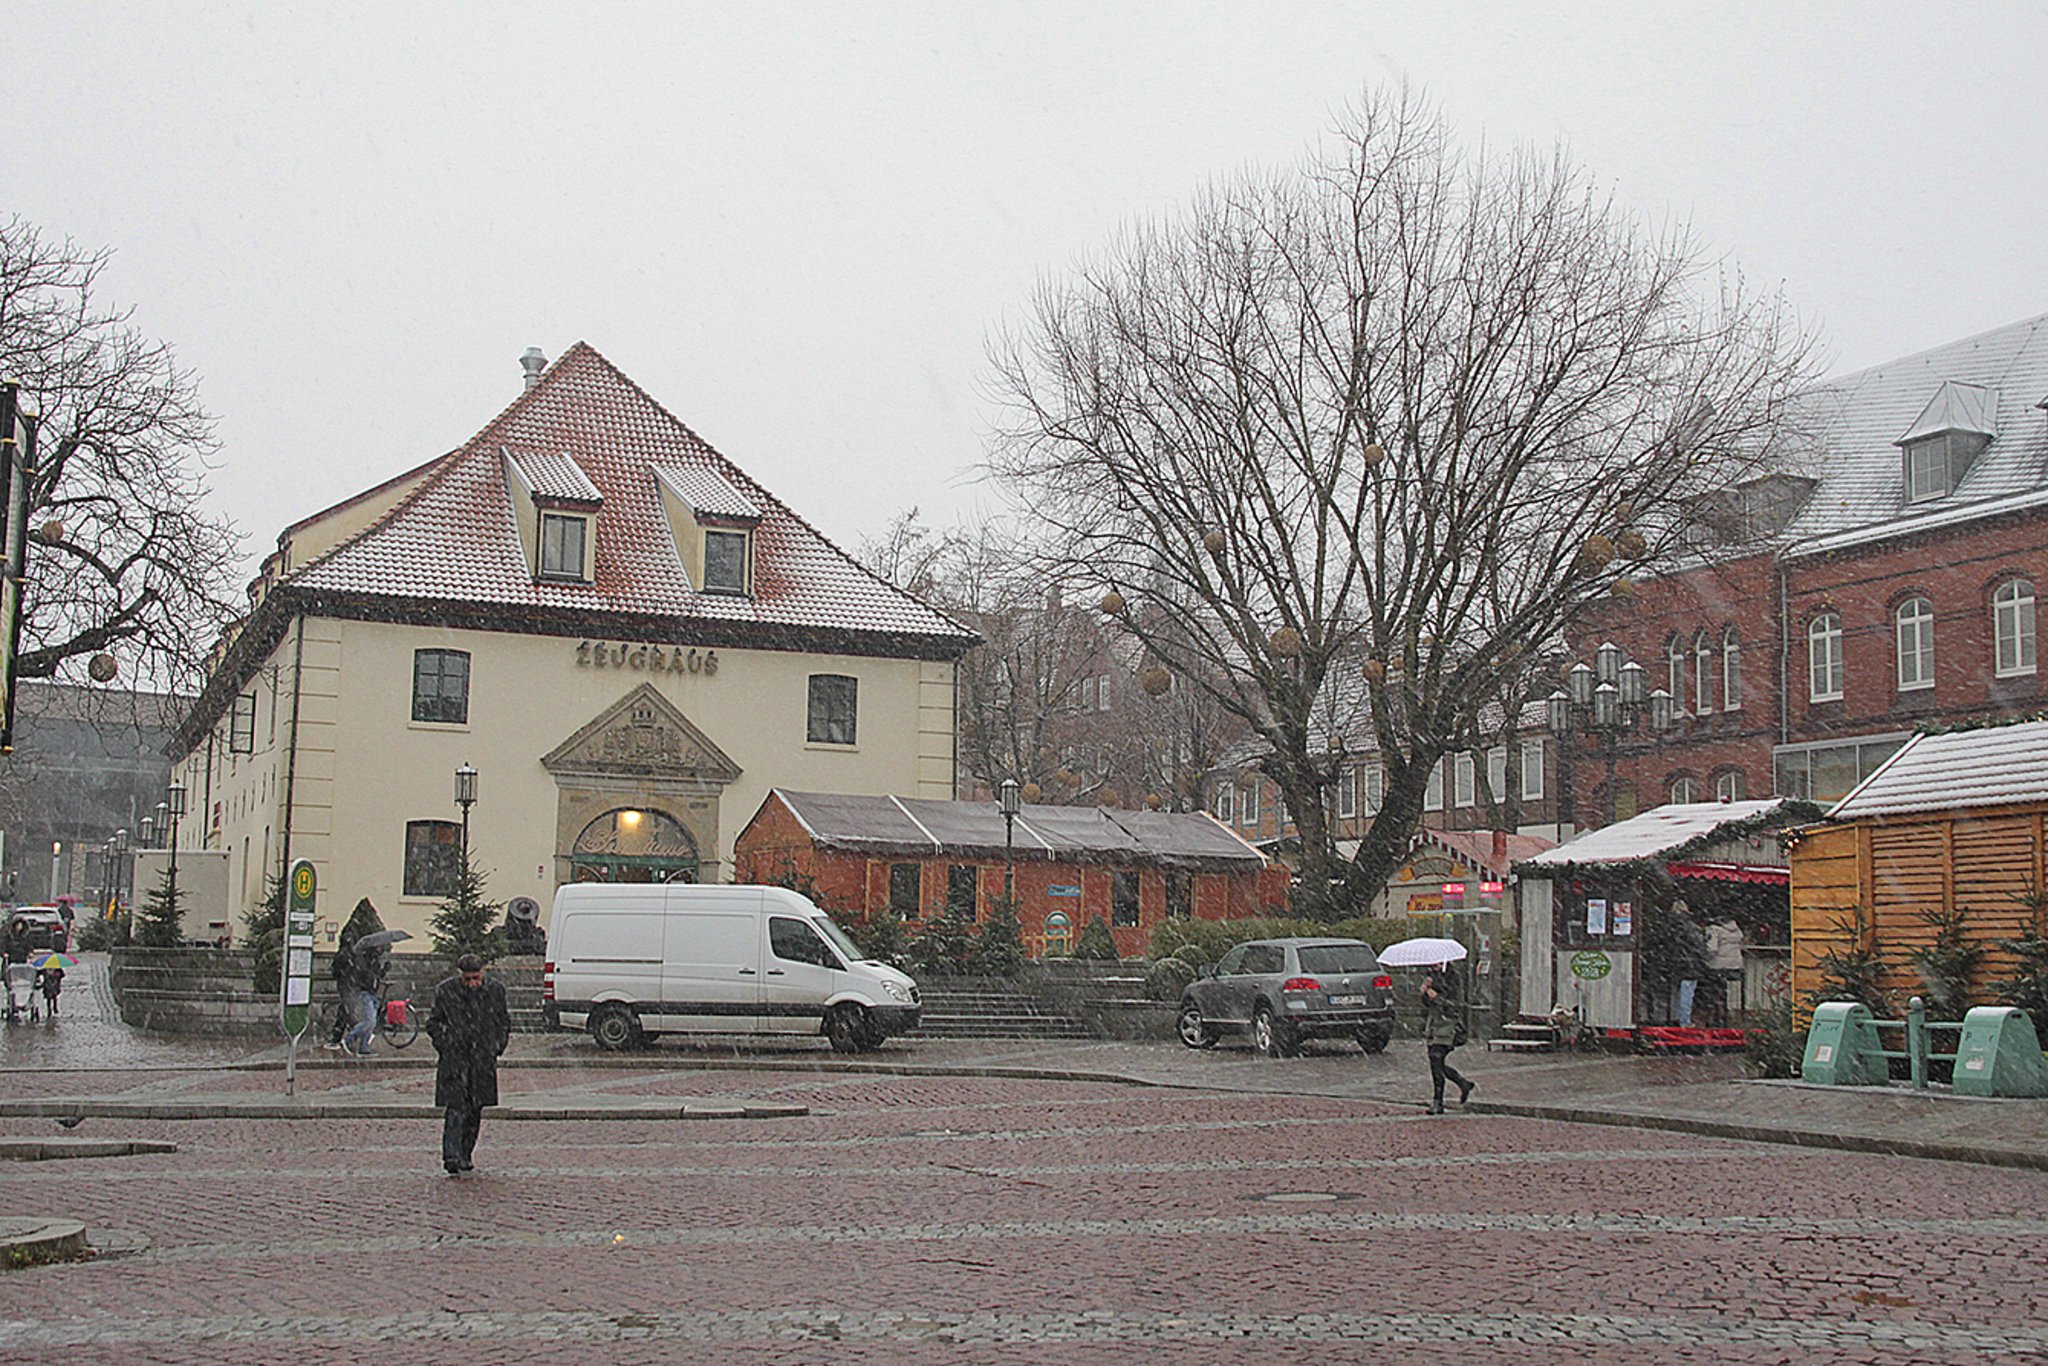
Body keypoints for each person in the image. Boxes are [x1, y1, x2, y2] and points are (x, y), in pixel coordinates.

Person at [425, 952, 510, 1175]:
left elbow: (503, 1022)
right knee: (455, 1109)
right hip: (455, 1059)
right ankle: (451, 1156)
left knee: (475, 1110)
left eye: (476, 978)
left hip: (482, 1059)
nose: (473, 983)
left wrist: (496, 1047)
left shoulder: (495, 991)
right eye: (468, 979)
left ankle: (465, 1154)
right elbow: (433, 1023)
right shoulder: (446, 991)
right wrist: (447, 1044)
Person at [1420, 962, 1473, 1115]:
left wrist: (1437, 997)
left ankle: (1438, 1101)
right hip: (1433, 1026)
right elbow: (1425, 1004)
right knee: (1436, 1063)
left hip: (1447, 1026)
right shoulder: (1430, 976)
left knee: (1436, 1059)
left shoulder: (1453, 977)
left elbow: (1455, 1005)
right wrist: (1424, 992)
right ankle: (1463, 1083)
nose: (1434, 965)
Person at [342, 937, 387, 1057]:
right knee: (369, 1021)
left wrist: (384, 970)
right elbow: (360, 977)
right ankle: (349, 1038)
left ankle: (364, 1047)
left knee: (371, 1021)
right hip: (364, 993)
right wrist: (367, 978)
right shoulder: (363, 962)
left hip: (372, 994)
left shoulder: (374, 962)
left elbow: (377, 977)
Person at [324, 928, 361, 1050]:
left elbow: (335, 972)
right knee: (345, 1011)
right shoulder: (353, 954)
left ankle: (357, 1031)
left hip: (345, 985)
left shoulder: (342, 954)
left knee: (345, 1011)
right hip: (351, 985)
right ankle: (340, 1037)